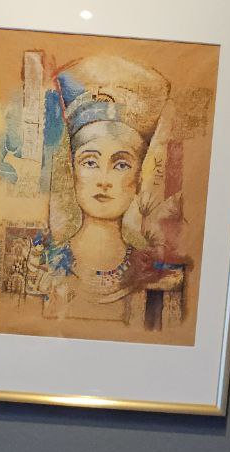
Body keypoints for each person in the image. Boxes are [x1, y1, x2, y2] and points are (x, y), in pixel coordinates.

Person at [21, 54, 185, 330]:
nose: (104, 180)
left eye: (121, 164)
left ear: (137, 178)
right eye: (90, 162)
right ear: (73, 171)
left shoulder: (162, 283)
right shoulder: (39, 271)